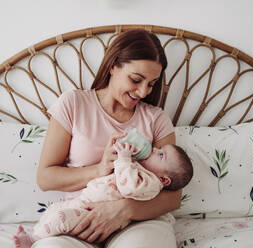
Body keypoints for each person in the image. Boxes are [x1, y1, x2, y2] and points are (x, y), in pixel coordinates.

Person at [28, 28, 183, 248]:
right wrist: (100, 169)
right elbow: (46, 178)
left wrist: (125, 210)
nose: (143, 92)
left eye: (151, 83)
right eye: (136, 79)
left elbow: (173, 196)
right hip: (79, 217)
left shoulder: (156, 119)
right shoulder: (74, 104)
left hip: (139, 221)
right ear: (112, 66)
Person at [13, 142, 193, 248]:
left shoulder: (151, 183)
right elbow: (45, 179)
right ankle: (37, 235)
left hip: (103, 215)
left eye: (160, 155)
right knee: (55, 211)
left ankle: (33, 239)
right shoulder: (142, 170)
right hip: (84, 203)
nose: (154, 149)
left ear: (165, 180)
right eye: (158, 149)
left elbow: (128, 187)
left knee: (60, 218)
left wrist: (124, 158)